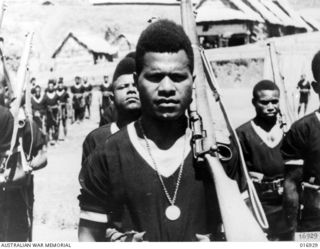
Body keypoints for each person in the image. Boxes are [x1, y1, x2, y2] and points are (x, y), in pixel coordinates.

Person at [78, 19, 241, 242]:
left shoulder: (221, 153)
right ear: (137, 81)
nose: (166, 88)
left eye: (177, 77)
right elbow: (88, 236)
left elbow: (243, 234)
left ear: (192, 82)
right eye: (155, 77)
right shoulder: (106, 155)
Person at [236, 80, 292, 240]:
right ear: (254, 103)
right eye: (264, 102)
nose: (270, 106)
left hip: (287, 201)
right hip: (259, 204)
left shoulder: (288, 130)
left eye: (274, 101)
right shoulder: (243, 134)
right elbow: (239, 176)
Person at [282, 51, 320, 235]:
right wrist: (293, 231)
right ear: (316, 87)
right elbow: (291, 185)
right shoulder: (301, 130)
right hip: (314, 221)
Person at [82, 55, 141, 164]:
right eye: (123, 86)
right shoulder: (96, 139)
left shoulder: (158, 134)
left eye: (135, 85)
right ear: (112, 97)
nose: (131, 90)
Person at [0, 105, 47, 241]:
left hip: (16, 195)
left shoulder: (22, 123)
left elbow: (42, 155)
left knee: (16, 236)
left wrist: (29, 165)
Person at [43, 80, 59, 144]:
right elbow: (43, 104)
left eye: (52, 86)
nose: (50, 87)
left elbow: (58, 105)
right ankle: (48, 140)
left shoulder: (56, 95)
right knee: (48, 126)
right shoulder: (45, 95)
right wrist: (47, 107)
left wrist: (55, 108)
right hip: (47, 113)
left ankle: (55, 139)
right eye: (49, 86)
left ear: (53, 87)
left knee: (55, 126)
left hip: (55, 113)